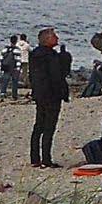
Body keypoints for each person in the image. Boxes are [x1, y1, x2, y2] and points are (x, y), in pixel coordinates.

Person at [27, 28, 69, 168]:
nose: (57, 38)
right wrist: (65, 59)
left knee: (39, 125)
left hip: (39, 93)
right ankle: (46, 158)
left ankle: (35, 158)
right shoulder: (51, 56)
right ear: (47, 39)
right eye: (54, 36)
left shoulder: (34, 55)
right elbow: (58, 75)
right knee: (49, 127)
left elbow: (32, 76)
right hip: (52, 94)